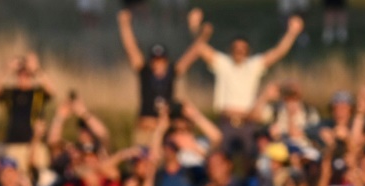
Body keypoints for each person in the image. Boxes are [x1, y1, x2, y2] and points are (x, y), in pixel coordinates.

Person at [195, 15, 304, 155]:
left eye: (243, 48)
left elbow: (278, 52)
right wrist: (197, 28)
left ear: (248, 51)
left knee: (251, 160)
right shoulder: (223, 64)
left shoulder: (253, 65)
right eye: (236, 48)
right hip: (226, 122)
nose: (239, 51)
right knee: (222, 159)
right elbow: (201, 48)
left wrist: (292, 33)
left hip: (248, 123)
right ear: (231, 49)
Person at [116, 7, 210, 144]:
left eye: (161, 60)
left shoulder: (173, 72)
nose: (158, 64)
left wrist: (203, 36)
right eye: (155, 60)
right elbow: (131, 48)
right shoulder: (145, 72)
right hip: (144, 129)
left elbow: (193, 53)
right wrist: (124, 25)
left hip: (164, 130)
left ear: (166, 60)